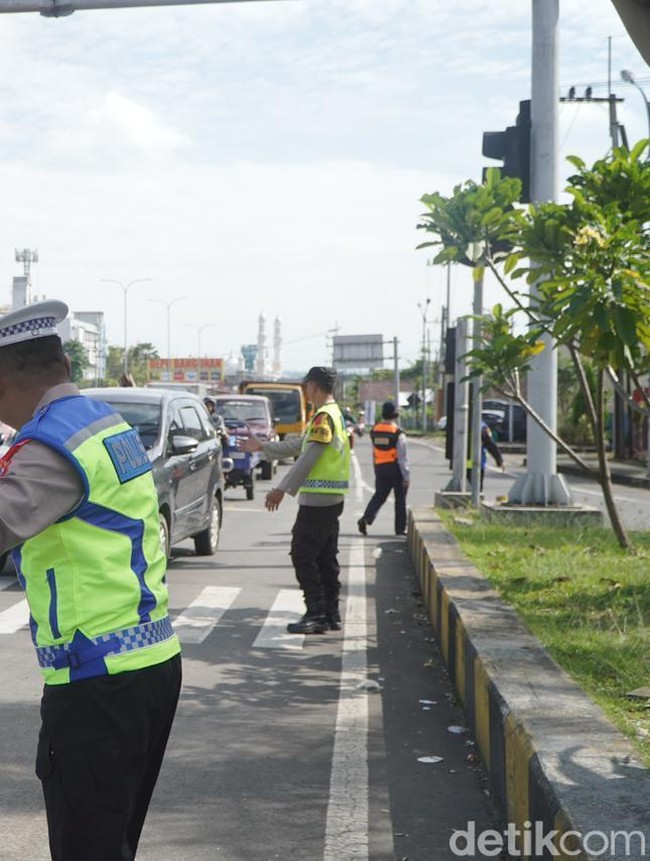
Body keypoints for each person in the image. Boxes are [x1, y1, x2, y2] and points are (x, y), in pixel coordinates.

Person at [0, 301, 181, 861]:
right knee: (111, 841)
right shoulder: (104, 422)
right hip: (149, 664)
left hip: (97, 686)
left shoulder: (48, 448)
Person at [240, 366, 350, 634]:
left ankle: (316, 613)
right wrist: (264, 447)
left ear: (313, 386)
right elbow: (301, 445)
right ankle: (331, 612)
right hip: (330, 498)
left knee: (302, 554)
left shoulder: (324, 416)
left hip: (318, 500)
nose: (306, 392)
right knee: (325, 556)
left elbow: (308, 458)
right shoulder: (333, 414)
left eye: (306, 387)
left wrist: (281, 488)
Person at [357, 401, 410, 537]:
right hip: (395, 468)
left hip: (380, 467)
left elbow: (375, 451)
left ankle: (366, 518)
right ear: (395, 415)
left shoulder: (375, 430)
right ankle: (399, 529)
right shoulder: (398, 433)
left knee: (379, 496)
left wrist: (377, 467)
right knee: (400, 500)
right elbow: (402, 457)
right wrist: (406, 476)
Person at [468, 420, 504, 492]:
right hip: (477, 462)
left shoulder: (459, 422)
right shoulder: (481, 426)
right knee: (476, 491)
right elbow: (489, 444)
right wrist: (499, 459)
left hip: (461, 464)